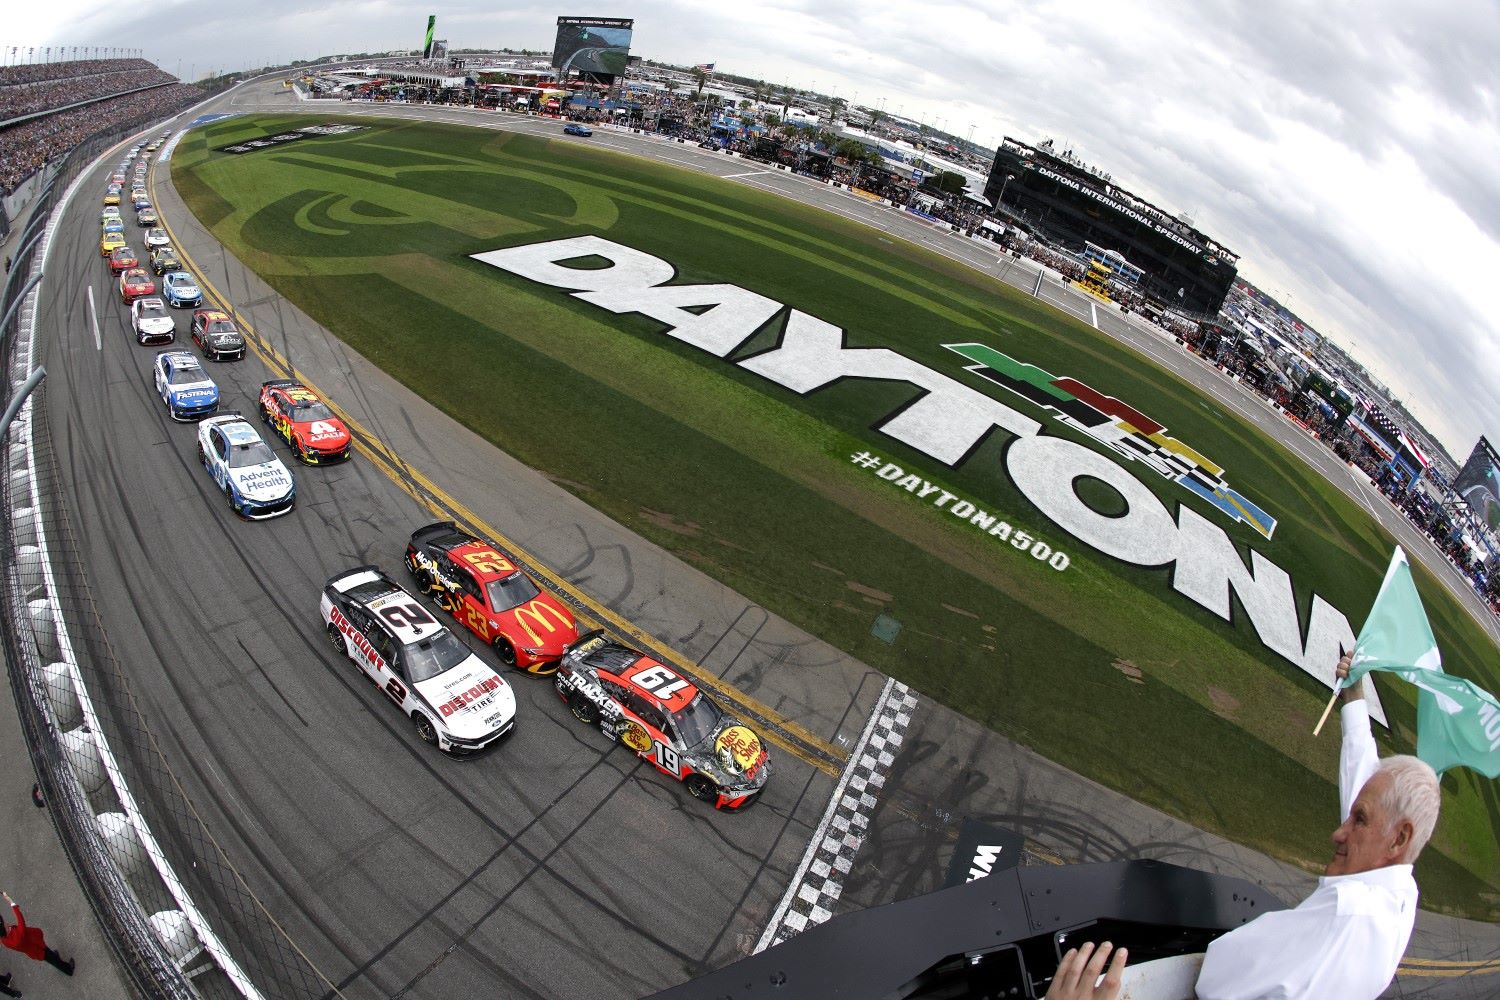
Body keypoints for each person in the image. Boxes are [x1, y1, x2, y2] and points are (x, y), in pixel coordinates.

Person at [1193, 651, 1440, 999]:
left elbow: (1216, 980)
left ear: (1399, 839)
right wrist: (1354, 701)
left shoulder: (1343, 908)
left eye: (1358, 821)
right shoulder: (1399, 895)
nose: (1338, 833)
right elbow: (1369, 798)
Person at [0, 893, 73, 978]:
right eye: (3, 923)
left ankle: (55, 957)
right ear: (3, 929)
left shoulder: (4, 939)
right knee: (54, 960)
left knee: (51, 956)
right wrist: (10, 901)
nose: (5, 922)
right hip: (38, 948)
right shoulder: (17, 938)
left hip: (35, 947)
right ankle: (68, 970)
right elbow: (20, 919)